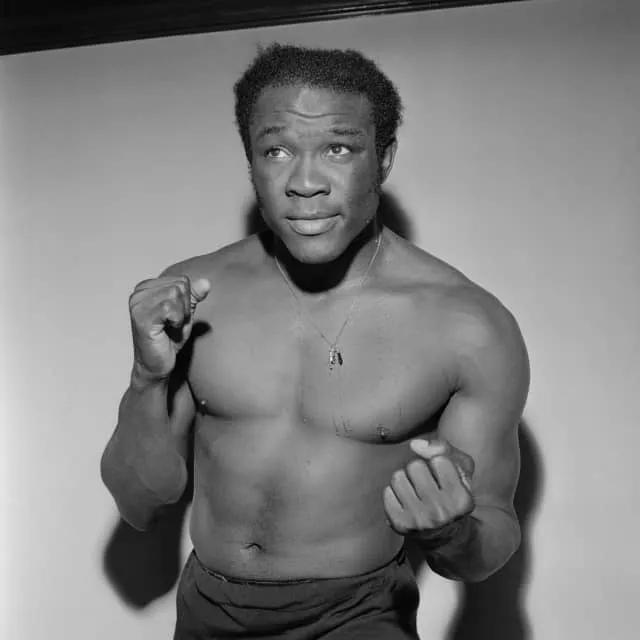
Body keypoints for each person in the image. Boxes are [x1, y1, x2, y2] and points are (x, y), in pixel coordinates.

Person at [100, 43, 530, 640]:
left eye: (338, 148)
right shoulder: (196, 295)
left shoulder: (467, 325)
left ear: (383, 159)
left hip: (358, 618)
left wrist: (450, 530)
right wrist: (146, 379)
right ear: (251, 163)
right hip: (207, 613)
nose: (304, 183)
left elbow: (489, 543)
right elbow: (139, 504)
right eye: (276, 151)